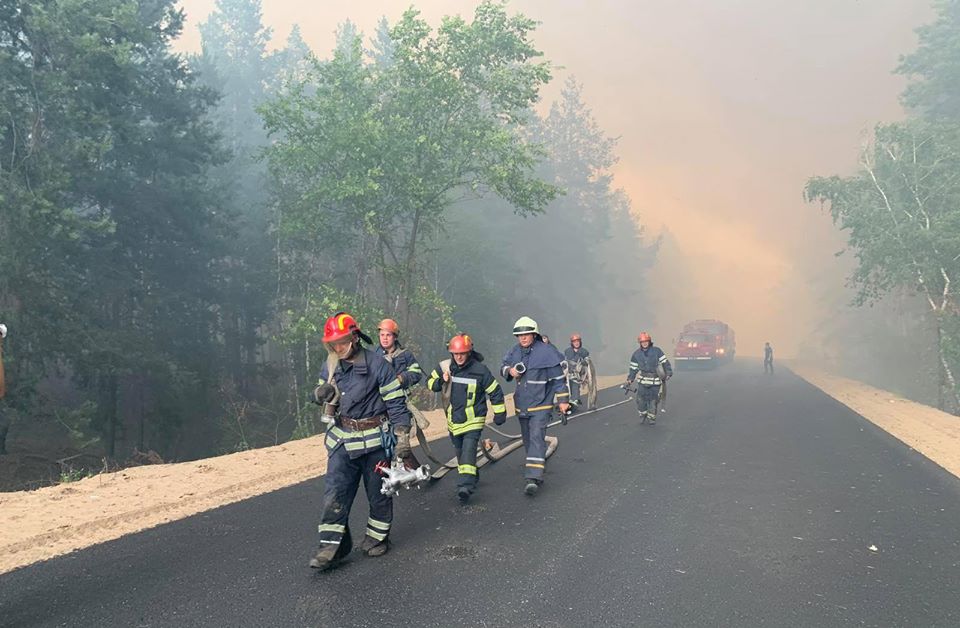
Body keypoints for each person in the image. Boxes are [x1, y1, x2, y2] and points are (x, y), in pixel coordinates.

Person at [308, 312, 414, 570]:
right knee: (335, 493)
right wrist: (318, 393)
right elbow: (322, 390)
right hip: (342, 441)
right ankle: (331, 548)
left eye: (342, 341)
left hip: (375, 443)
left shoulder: (379, 365)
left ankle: (377, 537)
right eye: (334, 344)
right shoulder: (331, 363)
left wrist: (402, 437)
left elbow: (397, 405)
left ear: (354, 337)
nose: (338, 347)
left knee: (378, 494)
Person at [426, 334, 506, 503]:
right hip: (454, 421)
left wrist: (500, 413)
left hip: (474, 419)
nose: (459, 357)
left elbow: (495, 391)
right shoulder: (445, 367)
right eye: (456, 353)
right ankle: (472, 476)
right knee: (461, 454)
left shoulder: (480, 370)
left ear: (469, 352)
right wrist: (441, 380)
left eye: (462, 353)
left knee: (469, 450)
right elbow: (429, 383)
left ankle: (465, 486)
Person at [501, 316, 570, 496]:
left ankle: (533, 478)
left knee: (537, 438)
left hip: (541, 405)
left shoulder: (546, 352)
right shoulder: (514, 352)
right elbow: (503, 367)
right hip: (522, 405)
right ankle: (536, 464)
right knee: (528, 440)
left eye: (526, 334)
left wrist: (563, 401)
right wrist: (510, 371)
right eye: (519, 335)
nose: (523, 338)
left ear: (534, 334)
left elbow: (558, 380)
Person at [624, 331, 672, 425]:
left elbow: (665, 363)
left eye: (646, 341)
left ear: (649, 342)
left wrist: (668, 373)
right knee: (640, 399)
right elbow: (633, 368)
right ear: (640, 343)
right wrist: (630, 379)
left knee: (653, 400)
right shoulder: (636, 354)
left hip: (655, 381)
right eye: (642, 342)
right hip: (643, 381)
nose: (644, 343)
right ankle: (643, 415)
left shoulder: (657, 351)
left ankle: (651, 417)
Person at [375, 318, 424, 393]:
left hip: (400, 398)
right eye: (382, 335)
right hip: (379, 399)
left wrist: (402, 378)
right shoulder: (374, 355)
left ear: (395, 337)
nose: (385, 338)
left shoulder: (405, 354)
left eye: (388, 335)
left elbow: (416, 373)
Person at [563, 333, 591, 408]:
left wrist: (584, 362)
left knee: (575, 381)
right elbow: (564, 361)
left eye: (578, 341)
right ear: (572, 343)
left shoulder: (584, 351)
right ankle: (567, 400)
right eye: (574, 341)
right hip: (569, 372)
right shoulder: (567, 351)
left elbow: (588, 361)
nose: (576, 343)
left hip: (580, 373)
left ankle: (575, 399)